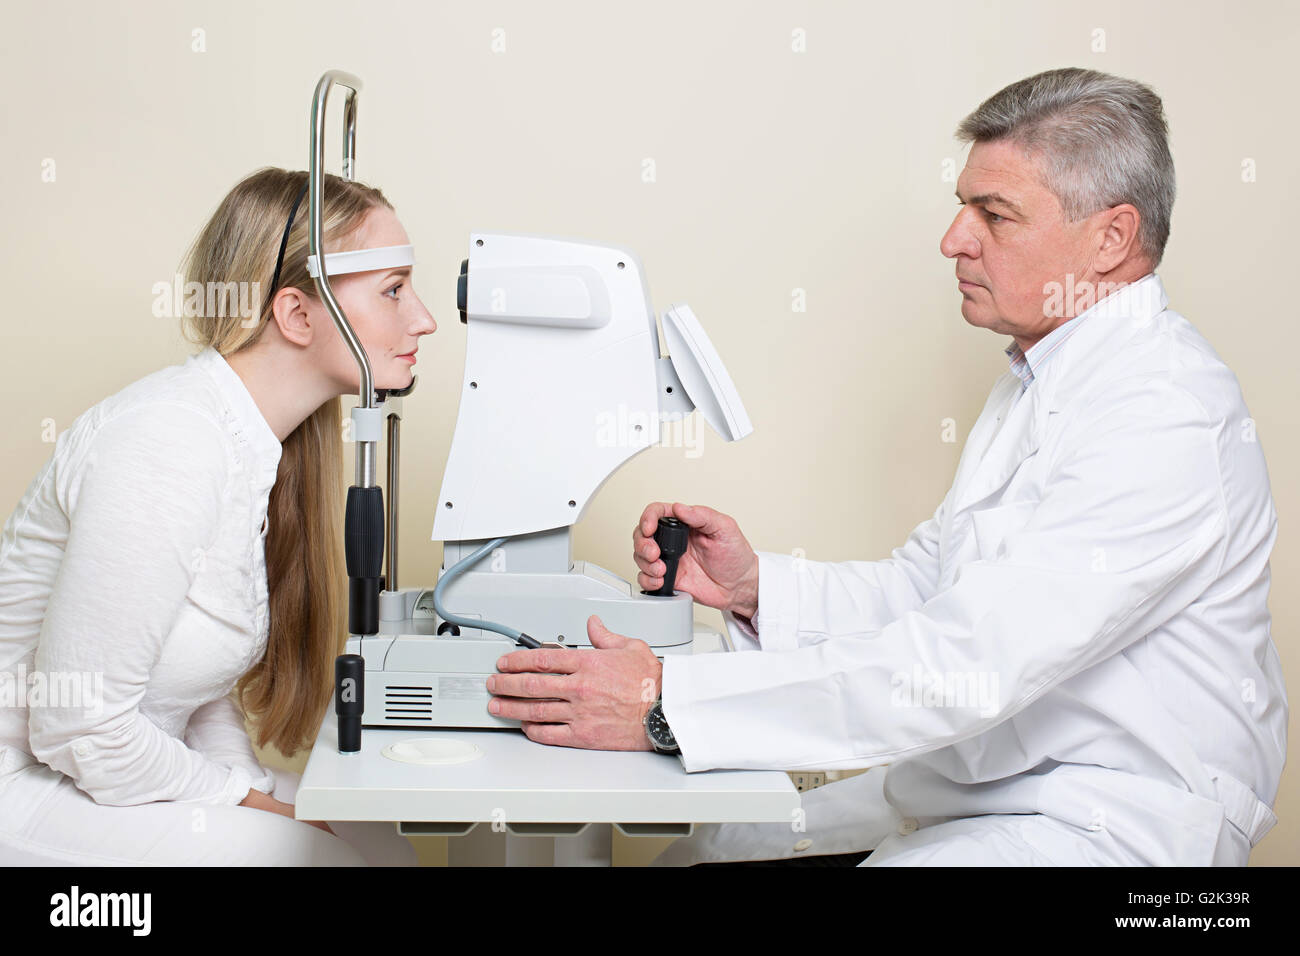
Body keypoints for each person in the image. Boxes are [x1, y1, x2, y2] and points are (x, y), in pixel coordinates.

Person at [486, 68, 1288, 866]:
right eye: (961, 207)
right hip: (987, 789)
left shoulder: (1165, 411)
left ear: (1110, 238)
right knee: (701, 853)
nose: (954, 240)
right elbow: (927, 590)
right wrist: (755, 587)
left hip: (1108, 819)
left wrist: (667, 706)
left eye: (995, 215)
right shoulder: (1042, 380)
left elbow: (967, 664)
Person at [0, 167, 434, 864]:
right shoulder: (168, 443)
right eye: (392, 290)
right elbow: (80, 726)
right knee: (331, 861)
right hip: (30, 786)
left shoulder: (256, 447)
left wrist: (252, 784)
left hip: (111, 772)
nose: (424, 318)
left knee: (385, 841)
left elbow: (193, 687)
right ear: (296, 315)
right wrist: (253, 804)